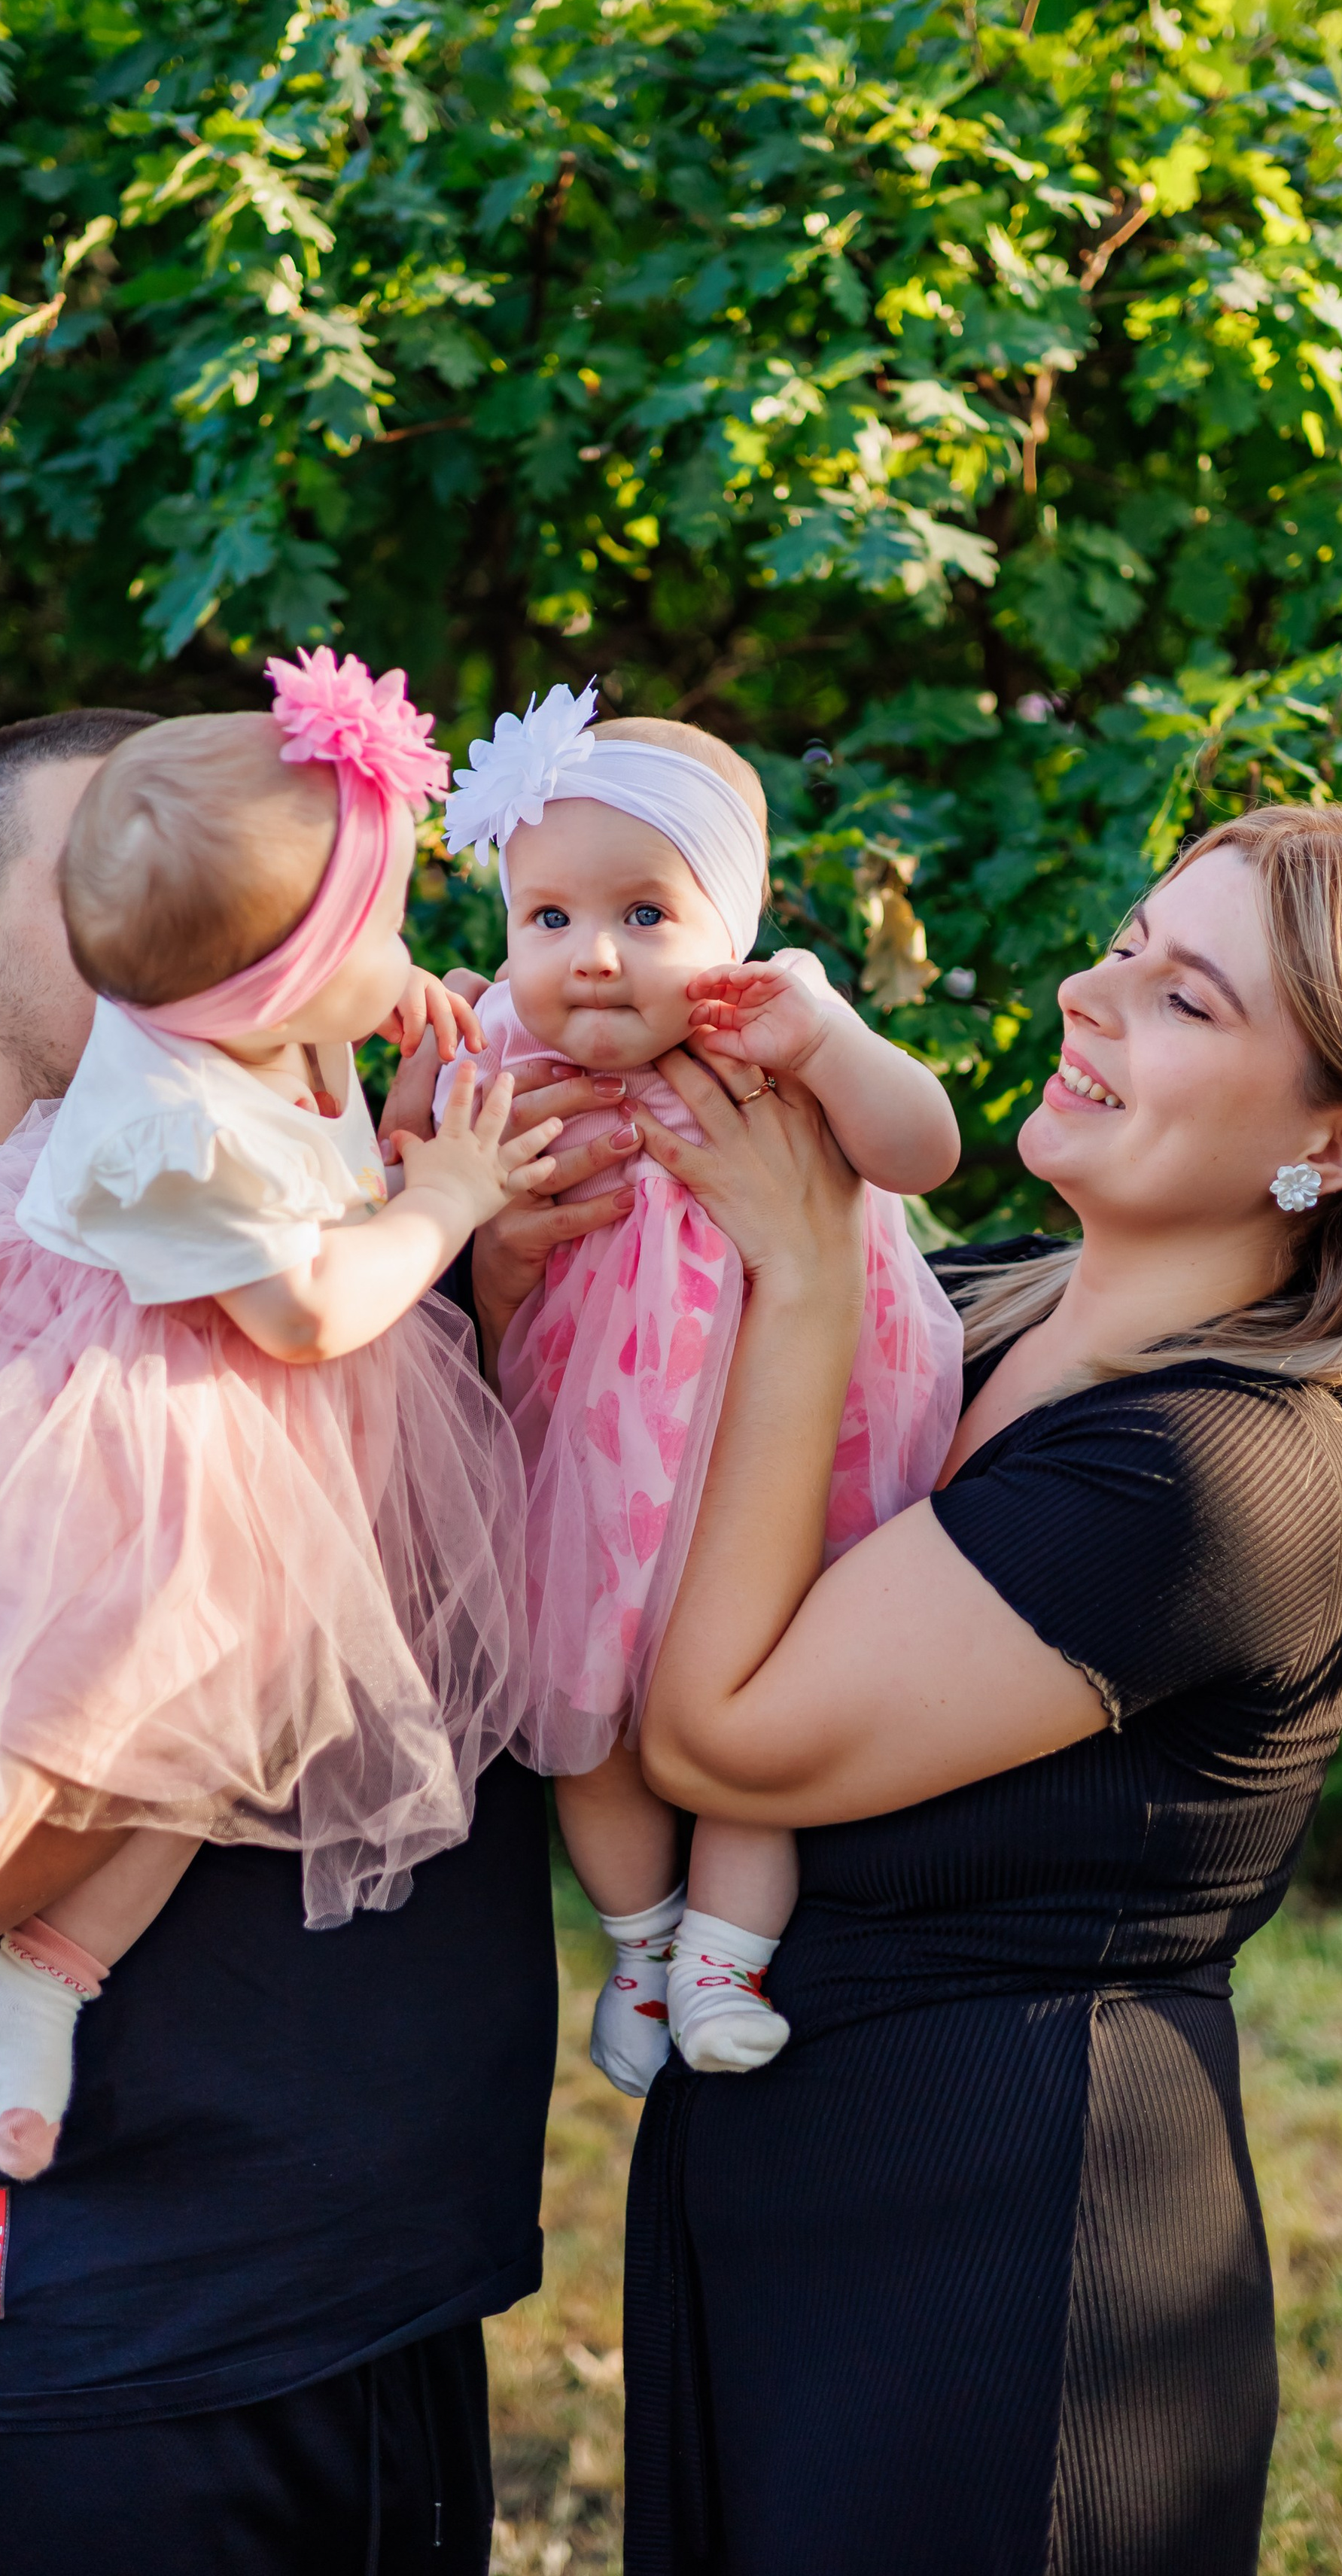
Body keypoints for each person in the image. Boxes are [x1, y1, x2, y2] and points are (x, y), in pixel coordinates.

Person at [0, 705, 580, 2576]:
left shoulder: (361, 1255)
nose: (206, 949)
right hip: (80, 2335)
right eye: (128, 902)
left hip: (398, 2289)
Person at [608, 801, 1342, 2573]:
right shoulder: (955, 1312)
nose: (1081, 994)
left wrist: (802, 1264)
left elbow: (718, 1730)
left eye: (1183, 998)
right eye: (1120, 943)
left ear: (1340, 1140)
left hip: (999, 2255)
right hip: (786, 2196)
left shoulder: (1219, 1476)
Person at [442, 683, 961, 2091]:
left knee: (758, 1706)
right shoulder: (501, 1045)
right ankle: (647, 1948)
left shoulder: (773, 1028)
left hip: (776, 1452)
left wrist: (836, 1043)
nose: (592, 958)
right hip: (594, 1460)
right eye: (547, 918)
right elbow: (410, 1198)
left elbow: (924, 1152)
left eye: (645, 915)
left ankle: (731, 1962)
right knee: (585, 1707)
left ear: (729, 923)